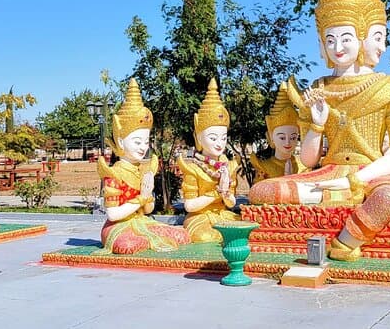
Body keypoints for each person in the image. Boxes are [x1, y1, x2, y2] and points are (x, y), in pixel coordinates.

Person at [248, 0, 390, 262]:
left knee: (388, 197)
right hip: (328, 175)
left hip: (372, 177)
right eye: (330, 39)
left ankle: (346, 240)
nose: (337, 47)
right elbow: (309, 160)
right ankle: (337, 207)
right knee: (262, 192)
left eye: (345, 38)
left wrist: (355, 179)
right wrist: (316, 125)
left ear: (368, 36)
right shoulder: (319, 89)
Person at [95, 79, 189, 254]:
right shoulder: (114, 173)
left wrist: (147, 196)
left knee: (182, 235)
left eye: (145, 142)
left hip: (141, 222)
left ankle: (147, 239)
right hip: (118, 227)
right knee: (129, 245)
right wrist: (141, 198)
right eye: (137, 142)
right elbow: (113, 215)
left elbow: (148, 210)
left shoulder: (143, 170)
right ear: (121, 141)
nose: (143, 147)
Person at [177, 79, 241, 242]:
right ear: (199, 138)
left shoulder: (228, 167)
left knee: (243, 229)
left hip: (223, 214)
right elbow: (189, 206)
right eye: (213, 138)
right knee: (205, 237)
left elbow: (231, 204)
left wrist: (226, 194)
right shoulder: (193, 168)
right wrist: (215, 193)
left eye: (223, 138)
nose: (219, 143)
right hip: (199, 217)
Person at [250, 82, 305, 182]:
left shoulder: (303, 166)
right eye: (282, 138)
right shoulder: (264, 168)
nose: (288, 142)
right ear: (271, 137)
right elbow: (258, 191)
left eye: (293, 137)